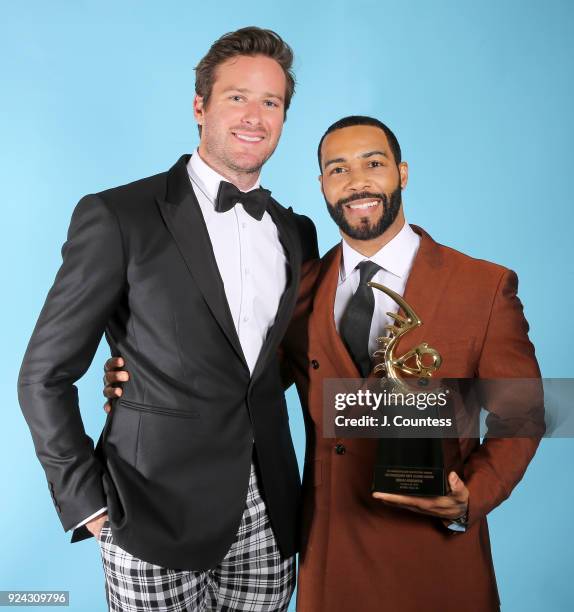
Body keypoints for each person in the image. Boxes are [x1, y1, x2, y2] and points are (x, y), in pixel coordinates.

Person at [105, 115, 545, 612]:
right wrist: (143, 375)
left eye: (373, 164)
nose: (357, 181)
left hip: (438, 557)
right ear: (321, 185)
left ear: (402, 173)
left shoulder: (482, 287)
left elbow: (524, 414)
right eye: (338, 169)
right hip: (331, 556)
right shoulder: (298, 290)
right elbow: (240, 384)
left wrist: (473, 497)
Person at [18, 27, 318, 612]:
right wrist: (87, 503)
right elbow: (42, 376)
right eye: (237, 97)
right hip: (148, 510)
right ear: (200, 106)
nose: (254, 116)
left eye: (271, 102)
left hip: (271, 513)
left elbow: (266, 365)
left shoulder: (295, 232)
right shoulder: (118, 215)